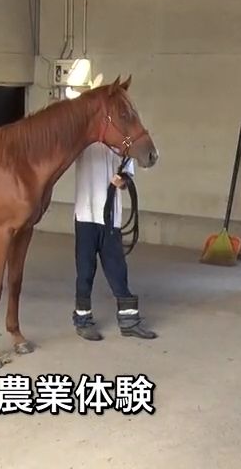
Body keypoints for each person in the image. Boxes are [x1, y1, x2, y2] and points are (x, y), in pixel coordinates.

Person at [71, 141, 157, 341]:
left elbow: (127, 174)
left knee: (117, 269)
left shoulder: (121, 145)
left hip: (111, 218)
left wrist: (123, 181)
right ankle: (82, 321)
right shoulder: (83, 141)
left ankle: (129, 322)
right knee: (85, 271)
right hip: (85, 215)